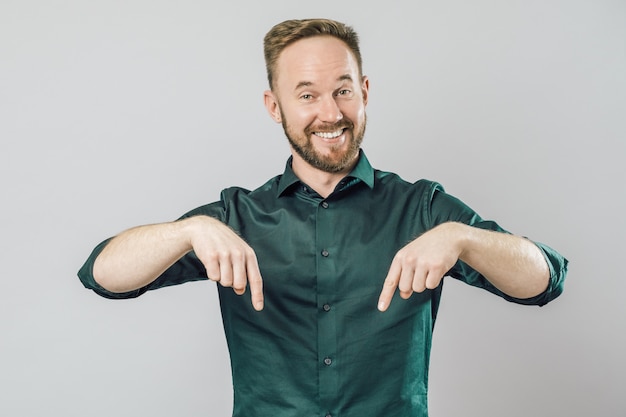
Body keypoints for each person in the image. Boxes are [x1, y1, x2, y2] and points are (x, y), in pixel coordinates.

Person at [78, 18, 568, 417]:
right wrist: (187, 230)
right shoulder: (235, 217)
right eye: (307, 94)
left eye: (343, 90)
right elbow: (103, 274)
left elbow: (544, 279)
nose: (330, 113)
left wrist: (464, 239)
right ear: (275, 106)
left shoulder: (422, 208)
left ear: (366, 91)